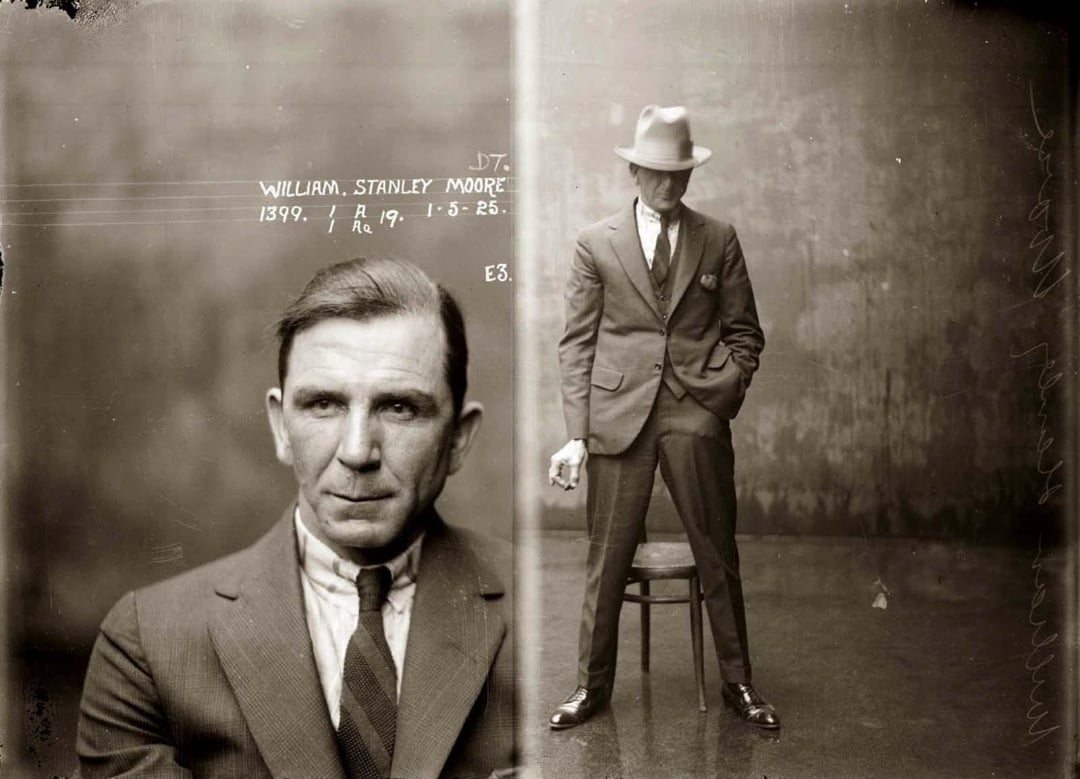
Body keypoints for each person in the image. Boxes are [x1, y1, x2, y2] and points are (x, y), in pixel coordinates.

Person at [76, 257, 516, 778]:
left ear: (458, 439)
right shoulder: (148, 643)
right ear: (281, 427)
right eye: (323, 405)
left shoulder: (547, 620)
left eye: (398, 408)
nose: (357, 452)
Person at [547, 105, 777, 730]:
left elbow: (745, 331)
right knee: (607, 557)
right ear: (633, 171)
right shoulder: (596, 243)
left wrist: (722, 389)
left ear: (690, 174)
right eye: (655, 172)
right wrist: (577, 433)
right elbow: (577, 343)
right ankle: (590, 690)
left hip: (694, 412)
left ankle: (739, 684)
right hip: (619, 415)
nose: (668, 185)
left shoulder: (718, 237)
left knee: (717, 550)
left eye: (679, 173)